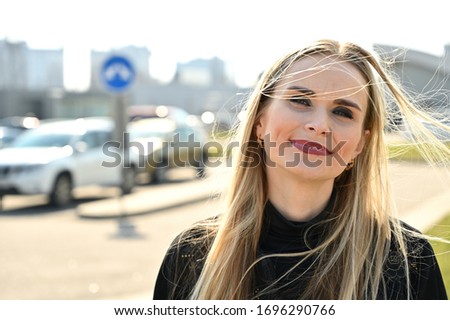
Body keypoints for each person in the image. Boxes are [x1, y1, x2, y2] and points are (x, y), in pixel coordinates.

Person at [153, 39, 449, 300]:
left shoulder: (408, 259)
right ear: (259, 121)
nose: (319, 125)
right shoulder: (189, 256)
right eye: (300, 100)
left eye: (343, 112)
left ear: (361, 142)